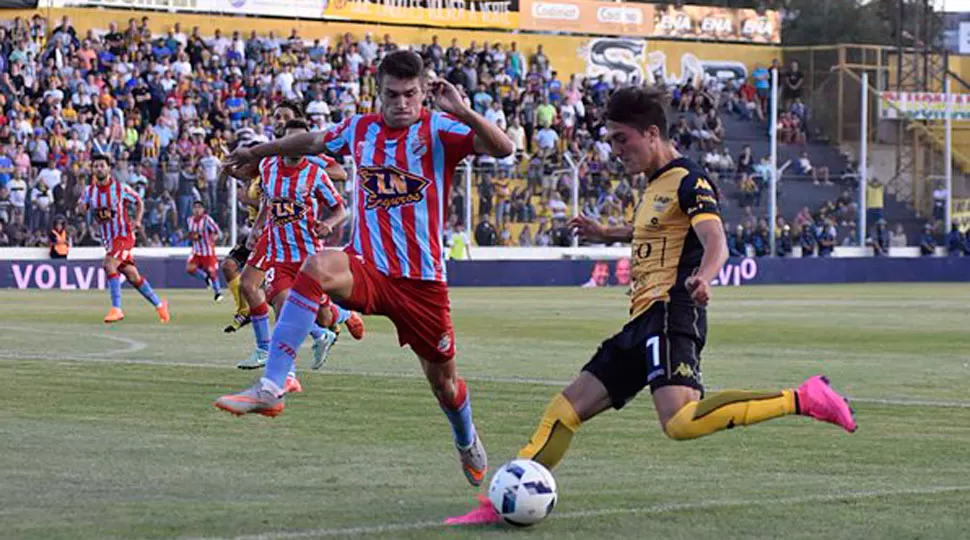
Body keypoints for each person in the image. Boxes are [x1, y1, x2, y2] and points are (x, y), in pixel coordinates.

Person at [446, 87, 856, 526]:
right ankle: (499, 504)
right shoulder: (655, 184)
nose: (616, 149)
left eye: (622, 139)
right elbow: (653, 229)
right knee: (564, 411)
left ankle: (804, 398)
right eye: (612, 140)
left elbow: (716, 240)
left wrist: (705, 277)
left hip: (671, 311)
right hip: (642, 319)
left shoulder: (690, 180)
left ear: (652, 134)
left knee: (681, 421)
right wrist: (607, 233)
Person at [215, 50, 515, 487]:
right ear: (378, 93)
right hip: (367, 266)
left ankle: (465, 438)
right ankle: (272, 387)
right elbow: (311, 142)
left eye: (410, 94)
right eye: (392, 95)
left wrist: (464, 111)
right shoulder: (360, 129)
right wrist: (258, 152)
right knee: (316, 265)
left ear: (423, 92)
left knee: (444, 385)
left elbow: (504, 148)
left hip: (422, 284)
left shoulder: (439, 128)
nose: (401, 103)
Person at [228, 104, 364, 371]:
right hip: (275, 244)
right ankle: (278, 366)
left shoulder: (314, 168)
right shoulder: (268, 164)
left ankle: (338, 317)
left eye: (286, 118)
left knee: (322, 316)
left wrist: (327, 223)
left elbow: (340, 187)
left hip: (307, 250)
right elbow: (268, 200)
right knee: (265, 294)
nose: (280, 122)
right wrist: (256, 228)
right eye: (277, 118)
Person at [76, 154, 170, 324]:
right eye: (96, 166)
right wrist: (80, 209)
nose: (99, 169)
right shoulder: (89, 191)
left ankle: (116, 309)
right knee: (132, 276)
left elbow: (139, 201)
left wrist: (138, 220)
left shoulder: (120, 188)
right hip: (109, 240)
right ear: (93, 169)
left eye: (102, 165)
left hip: (123, 235)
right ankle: (159, 305)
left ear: (108, 168)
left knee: (109, 264)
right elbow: (80, 210)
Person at [185, 200, 223, 301]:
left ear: (203, 210)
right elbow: (190, 234)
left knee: (212, 272)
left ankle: (218, 292)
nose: (197, 210)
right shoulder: (189, 220)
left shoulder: (207, 220)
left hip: (207, 251)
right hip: (196, 251)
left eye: (199, 208)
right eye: (195, 207)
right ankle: (205, 277)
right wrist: (192, 237)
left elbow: (217, 231)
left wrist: (214, 237)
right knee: (190, 269)